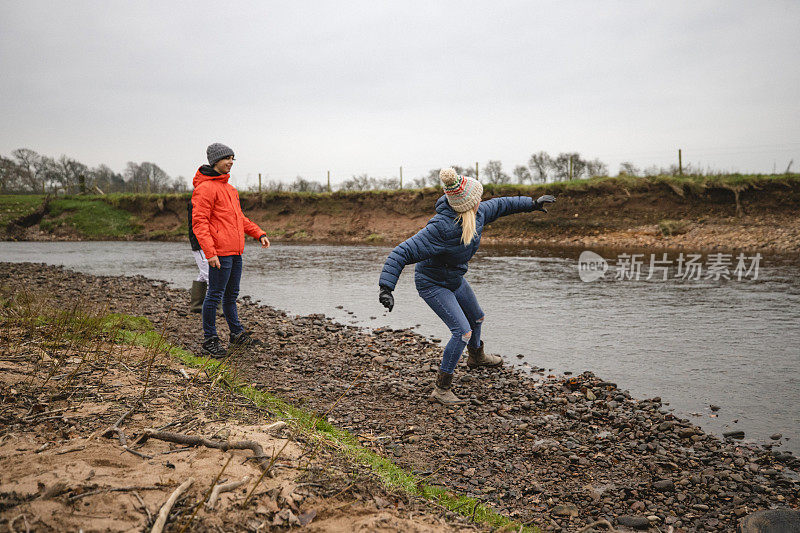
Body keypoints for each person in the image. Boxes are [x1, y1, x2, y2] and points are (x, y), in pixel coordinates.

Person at [378, 167, 555, 406]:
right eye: (477, 197)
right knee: (462, 331)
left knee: (477, 318)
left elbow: (502, 205)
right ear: (467, 203)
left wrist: (532, 204)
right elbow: (402, 251)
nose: (481, 201)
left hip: (454, 278)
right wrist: (386, 288)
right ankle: (442, 388)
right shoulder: (440, 228)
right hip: (432, 283)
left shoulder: (478, 213)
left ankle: (477, 357)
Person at [191, 142, 270, 357]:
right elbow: (200, 224)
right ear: (215, 160)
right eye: (227, 158)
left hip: (236, 252)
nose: (231, 163)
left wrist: (259, 233)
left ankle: (236, 334)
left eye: (233, 159)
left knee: (231, 294)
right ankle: (210, 339)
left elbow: (239, 219)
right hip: (220, 253)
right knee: (214, 295)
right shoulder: (205, 189)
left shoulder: (230, 189)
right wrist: (210, 253)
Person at [188, 199, 210, 313]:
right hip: (200, 243)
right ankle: (217, 306)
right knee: (210, 275)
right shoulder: (195, 201)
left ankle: (197, 305)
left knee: (203, 274)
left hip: (205, 243)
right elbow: (197, 225)